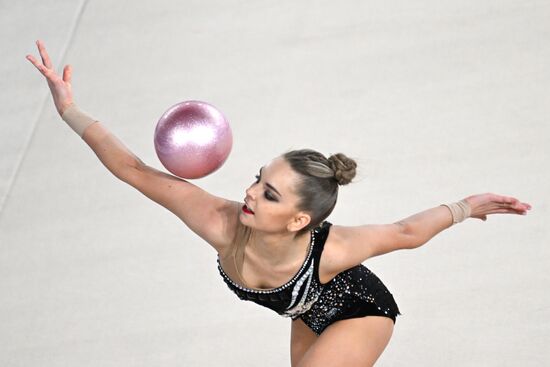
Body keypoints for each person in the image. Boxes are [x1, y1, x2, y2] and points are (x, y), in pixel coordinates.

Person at [26, 40, 531, 367]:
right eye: (256, 180)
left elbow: (404, 233)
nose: (248, 193)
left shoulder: (331, 250)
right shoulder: (220, 222)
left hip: (358, 311)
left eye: (268, 194)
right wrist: (69, 109)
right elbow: (135, 171)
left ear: (299, 219)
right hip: (305, 312)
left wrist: (467, 206)